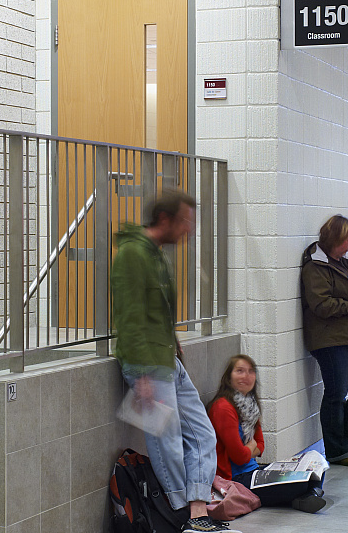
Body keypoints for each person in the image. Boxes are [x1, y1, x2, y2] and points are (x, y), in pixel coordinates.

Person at [112, 188, 231, 533]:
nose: (188, 229)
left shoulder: (156, 253)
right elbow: (129, 315)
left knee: (203, 433)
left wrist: (174, 340)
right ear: (164, 219)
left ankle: (196, 509)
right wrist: (143, 375)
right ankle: (184, 514)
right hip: (146, 365)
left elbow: (156, 309)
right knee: (167, 442)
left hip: (167, 359)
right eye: (184, 221)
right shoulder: (133, 253)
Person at [301, 214, 348, 466]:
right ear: (334, 238)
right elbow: (320, 304)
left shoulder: (343, 262)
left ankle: (344, 439)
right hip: (331, 339)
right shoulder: (315, 266)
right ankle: (337, 450)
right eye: (347, 240)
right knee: (336, 394)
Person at [207, 355, 326, 513]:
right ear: (229, 377)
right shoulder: (223, 407)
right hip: (236, 479)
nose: (246, 376)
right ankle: (309, 494)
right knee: (301, 483)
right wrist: (251, 448)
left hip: (253, 470)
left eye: (250, 372)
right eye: (240, 371)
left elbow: (261, 445)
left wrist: (250, 448)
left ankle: (308, 495)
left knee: (317, 462)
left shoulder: (249, 404)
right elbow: (238, 457)